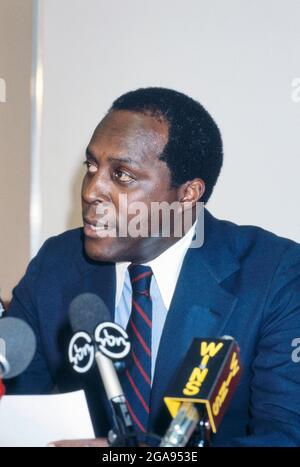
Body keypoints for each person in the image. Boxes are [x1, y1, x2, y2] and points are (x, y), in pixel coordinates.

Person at [6, 87, 300, 447]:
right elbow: (15, 403)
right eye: (92, 167)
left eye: (122, 175)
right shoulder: (58, 264)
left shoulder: (274, 274)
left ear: (188, 194)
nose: (91, 191)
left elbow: (286, 437)